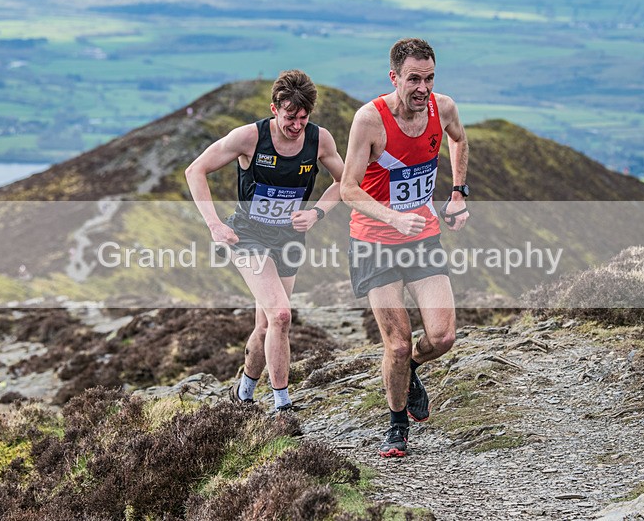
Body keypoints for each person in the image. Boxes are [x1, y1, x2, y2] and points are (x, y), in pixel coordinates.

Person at [185, 70, 344, 413]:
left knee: (265, 325)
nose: (297, 126)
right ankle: (282, 406)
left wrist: (317, 213)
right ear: (274, 108)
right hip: (249, 236)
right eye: (290, 117)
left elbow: (346, 182)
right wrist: (213, 224)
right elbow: (194, 170)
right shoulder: (249, 138)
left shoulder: (320, 140)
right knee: (282, 315)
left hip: (289, 239)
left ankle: (243, 394)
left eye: (303, 118)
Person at [340, 38, 470, 457]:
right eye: (413, 79)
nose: (422, 88)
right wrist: (393, 216)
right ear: (393, 77)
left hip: (422, 238)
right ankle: (396, 425)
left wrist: (458, 192)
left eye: (429, 78)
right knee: (395, 343)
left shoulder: (443, 108)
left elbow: (459, 140)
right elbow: (347, 188)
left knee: (444, 337)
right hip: (374, 241)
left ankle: (411, 368)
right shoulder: (369, 120)